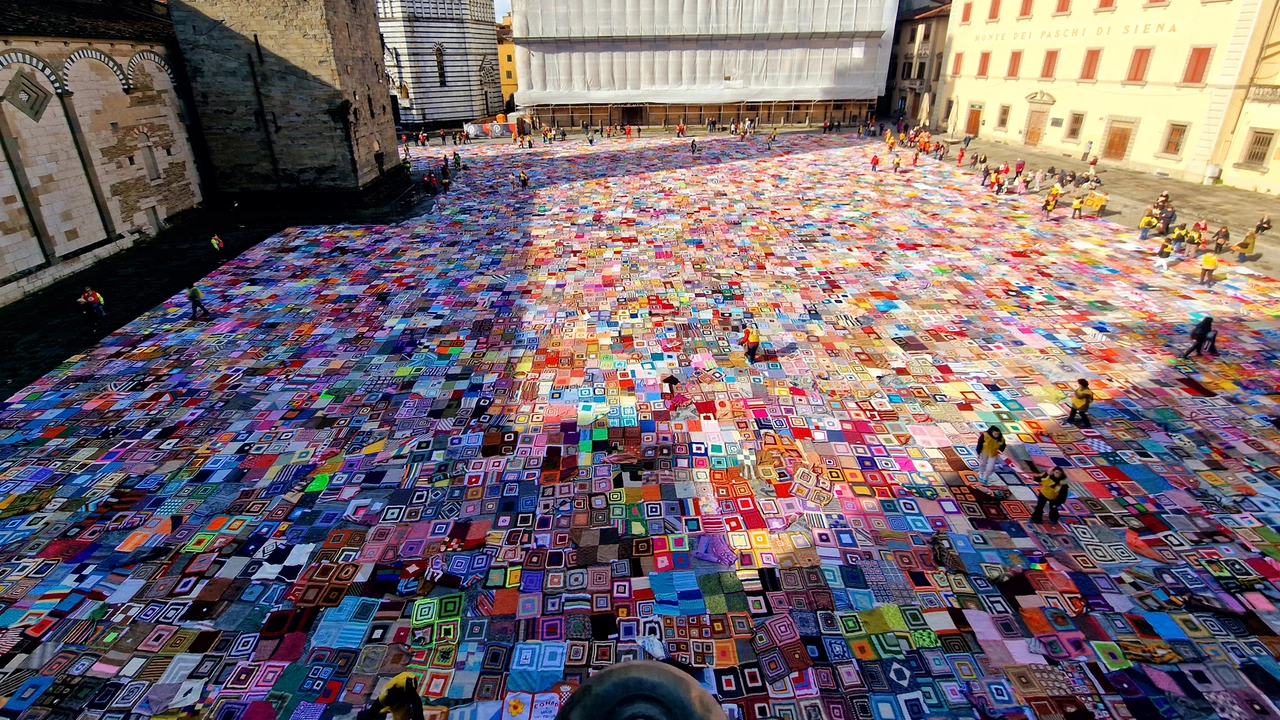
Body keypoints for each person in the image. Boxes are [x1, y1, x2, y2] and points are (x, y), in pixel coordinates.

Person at [358, 672, 424, 720]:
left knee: (413, 711)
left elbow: (418, 706)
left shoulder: (411, 693)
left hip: (407, 685)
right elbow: (373, 711)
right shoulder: (383, 697)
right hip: (393, 697)